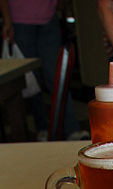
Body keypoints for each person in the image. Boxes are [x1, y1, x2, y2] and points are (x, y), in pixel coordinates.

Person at [0, 0, 88, 140]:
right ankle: (41, 128)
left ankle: (72, 130)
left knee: (58, 75)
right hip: (20, 19)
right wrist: (7, 21)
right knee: (30, 79)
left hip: (49, 17)